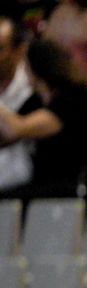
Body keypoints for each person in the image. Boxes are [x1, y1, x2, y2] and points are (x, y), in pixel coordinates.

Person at [0, 38, 87, 199]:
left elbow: (16, 129)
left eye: (25, 66)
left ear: (37, 68)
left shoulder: (72, 99)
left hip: (73, 183)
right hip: (42, 182)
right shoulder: (34, 101)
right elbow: (6, 136)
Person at [0, 16, 37, 193]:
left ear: (19, 50)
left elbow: (15, 131)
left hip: (26, 187)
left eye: (0, 49)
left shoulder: (34, 86)